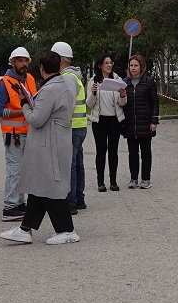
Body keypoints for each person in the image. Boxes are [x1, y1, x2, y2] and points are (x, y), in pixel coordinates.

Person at [0, 50, 79, 245]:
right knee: (39, 186)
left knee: (51, 187)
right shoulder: (67, 82)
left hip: (49, 143)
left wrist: (24, 102)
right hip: (56, 139)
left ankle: (67, 230)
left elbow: (35, 119)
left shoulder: (50, 88)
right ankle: (25, 229)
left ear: (42, 68)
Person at [0, 47, 36, 221]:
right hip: (14, 135)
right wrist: (25, 111)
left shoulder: (30, 79)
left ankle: (19, 202)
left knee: (23, 171)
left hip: (28, 132)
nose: (24, 64)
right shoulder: (4, 83)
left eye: (26, 61)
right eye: (20, 61)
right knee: (14, 170)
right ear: (12, 63)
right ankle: (10, 206)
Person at [52, 42, 89, 213]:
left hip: (72, 127)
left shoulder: (67, 77)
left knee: (70, 165)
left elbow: (66, 103)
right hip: (79, 126)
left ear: (60, 60)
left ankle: (71, 202)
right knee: (78, 163)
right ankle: (79, 199)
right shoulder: (75, 75)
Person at [86, 53, 126, 192]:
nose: (109, 65)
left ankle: (113, 182)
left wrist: (123, 95)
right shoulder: (93, 81)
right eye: (107, 63)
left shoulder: (117, 80)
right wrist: (93, 93)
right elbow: (89, 104)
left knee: (113, 151)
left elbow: (122, 103)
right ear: (100, 65)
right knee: (101, 151)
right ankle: (100, 182)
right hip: (99, 121)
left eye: (111, 63)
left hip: (115, 120)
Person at [122, 54, 160, 189]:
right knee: (132, 153)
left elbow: (154, 102)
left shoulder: (148, 82)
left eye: (136, 65)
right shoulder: (124, 83)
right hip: (130, 123)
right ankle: (133, 178)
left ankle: (146, 179)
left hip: (145, 123)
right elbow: (121, 103)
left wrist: (154, 121)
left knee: (146, 153)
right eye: (131, 65)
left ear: (141, 67)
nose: (133, 68)